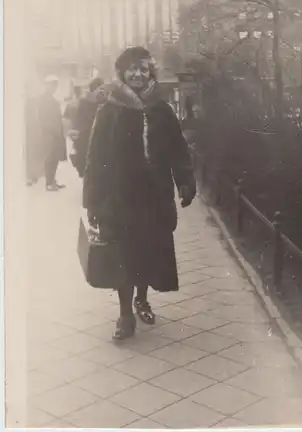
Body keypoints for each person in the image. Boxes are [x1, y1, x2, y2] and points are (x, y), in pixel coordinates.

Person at [83, 47, 196, 341]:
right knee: (122, 254)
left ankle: (142, 299)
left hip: (154, 197)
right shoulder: (109, 109)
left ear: (151, 73)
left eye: (143, 69)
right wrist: (93, 200)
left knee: (148, 251)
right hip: (119, 197)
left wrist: (185, 181)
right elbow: (95, 158)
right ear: (122, 72)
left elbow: (178, 149)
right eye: (131, 69)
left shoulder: (161, 109)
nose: (137, 74)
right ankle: (124, 314)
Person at [70, 77, 105, 178]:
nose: (102, 92)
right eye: (100, 89)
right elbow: (79, 121)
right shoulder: (84, 103)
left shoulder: (104, 102)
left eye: (103, 89)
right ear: (93, 90)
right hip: (85, 139)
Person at [38, 75, 67, 191]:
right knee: (49, 157)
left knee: (55, 157)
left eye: (55, 86)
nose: (54, 88)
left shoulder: (53, 100)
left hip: (56, 132)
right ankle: (48, 183)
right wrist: (51, 131)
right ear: (47, 86)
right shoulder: (43, 100)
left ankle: (52, 180)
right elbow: (42, 118)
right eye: (52, 85)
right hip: (48, 133)